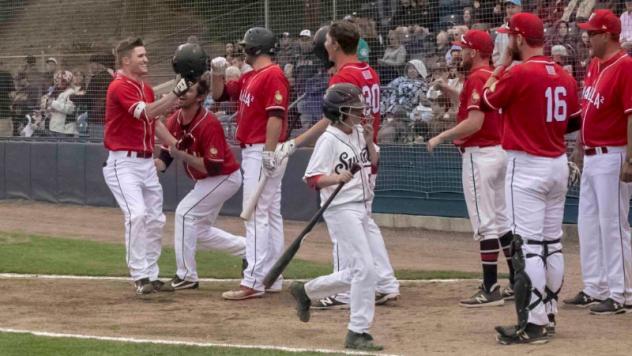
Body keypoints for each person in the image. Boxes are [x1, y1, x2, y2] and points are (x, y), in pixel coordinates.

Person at [277, 21, 400, 310]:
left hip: (348, 155)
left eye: (328, 40)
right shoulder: (369, 71)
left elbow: (330, 119)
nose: (325, 44)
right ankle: (385, 282)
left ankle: (341, 292)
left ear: (335, 44)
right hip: (366, 153)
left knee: (344, 226)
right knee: (365, 224)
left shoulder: (343, 76)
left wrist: (297, 142)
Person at [479, 12, 581, 344]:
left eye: (510, 37)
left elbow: (486, 99)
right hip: (556, 162)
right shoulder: (564, 76)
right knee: (551, 244)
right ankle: (548, 314)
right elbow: (573, 123)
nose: (507, 41)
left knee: (528, 247)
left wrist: (502, 64)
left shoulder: (520, 73)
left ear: (520, 39)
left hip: (527, 165)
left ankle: (533, 324)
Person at [290, 83, 383, 351]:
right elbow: (313, 178)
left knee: (363, 270)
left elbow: (374, 162)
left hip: (362, 206)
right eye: (352, 109)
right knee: (365, 269)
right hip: (341, 208)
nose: (358, 112)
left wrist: (368, 140)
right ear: (338, 112)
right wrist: (335, 177)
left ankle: (306, 291)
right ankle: (357, 332)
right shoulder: (328, 139)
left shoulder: (357, 133)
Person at [427, 30, 516, 308]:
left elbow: (474, 123)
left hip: (481, 155)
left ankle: (490, 287)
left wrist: (441, 136)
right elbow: (474, 105)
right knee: (502, 221)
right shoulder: (487, 76)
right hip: (499, 153)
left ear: (475, 52)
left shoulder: (478, 77)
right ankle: (517, 280)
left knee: (484, 223)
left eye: (463, 49)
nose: (459, 54)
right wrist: (449, 89)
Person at [102, 37, 196, 295]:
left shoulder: (145, 88)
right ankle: (139, 275)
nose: (146, 59)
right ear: (126, 60)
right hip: (122, 163)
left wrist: (175, 144)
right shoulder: (119, 86)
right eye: (140, 55)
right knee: (137, 214)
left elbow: (154, 123)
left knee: (155, 219)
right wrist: (177, 91)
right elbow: (146, 113)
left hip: (145, 163)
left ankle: (152, 275)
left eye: (145, 55)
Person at [211, 27, 290, 300]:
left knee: (257, 214)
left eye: (246, 46)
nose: (242, 50)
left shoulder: (273, 74)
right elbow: (221, 95)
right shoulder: (250, 76)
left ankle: (254, 280)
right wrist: (216, 72)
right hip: (258, 150)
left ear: (255, 49)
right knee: (269, 213)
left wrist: (269, 153)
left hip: (262, 150)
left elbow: (275, 117)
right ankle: (272, 275)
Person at [564, 9, 632, 314]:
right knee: (588, 225)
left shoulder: (626, 66)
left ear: (607, 34)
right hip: (592, 156)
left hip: (614, 155)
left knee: (613, 225)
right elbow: (588, 110)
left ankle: (623, 293)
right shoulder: (594, 64)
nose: (587, 37)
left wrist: (631, 160)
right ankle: (596, 287)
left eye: (592, 32)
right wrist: (579, 148)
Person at [155, 76, 247, 290]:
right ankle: (250, 250)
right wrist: (143, 165)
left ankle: (186, 275)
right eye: (182, 89)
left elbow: (212, 167)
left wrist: (182, 155)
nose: (183, 93)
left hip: (223, 177)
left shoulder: (209, 122)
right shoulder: (174, 119)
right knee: (199, 231)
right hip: (207, 180)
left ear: (201, 97)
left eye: (189, 90)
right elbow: (164, 161)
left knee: (185, 214)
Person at [43, 70, 78, 136]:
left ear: (66, 81)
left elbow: (70, 110)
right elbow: (54, 106)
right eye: (57, 79)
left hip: (65, 130)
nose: (57, 81)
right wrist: (48, 108)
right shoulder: (57, 91)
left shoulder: (71, 92)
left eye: (59, 79)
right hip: (54, 127)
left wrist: (52, 103)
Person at [492, 0, 522, 67]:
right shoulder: (502, 29)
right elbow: (495, 54)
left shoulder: (525, 27)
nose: (510, 10)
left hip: (520, 70)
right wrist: (500, 65)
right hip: (503, 72)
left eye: (513, 7)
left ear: (520, 8)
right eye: (508, 7)